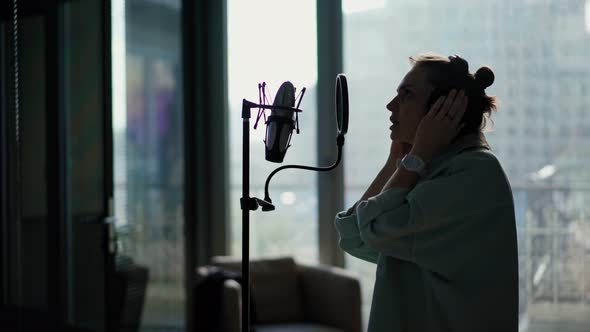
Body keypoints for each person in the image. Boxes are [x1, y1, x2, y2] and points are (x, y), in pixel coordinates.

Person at [334, 53, 518, 331]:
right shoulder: (432, 167)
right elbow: (352, 236)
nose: (390, 105)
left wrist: (415, 156)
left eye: (406, 95)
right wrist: (395, 163)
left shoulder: (473, 173)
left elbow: (374, 227)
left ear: (441, 110)